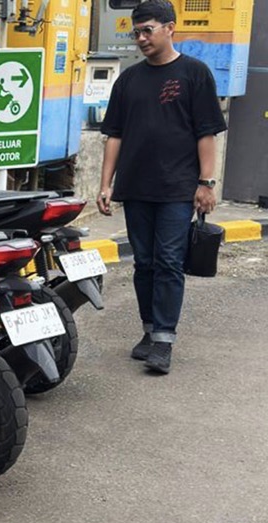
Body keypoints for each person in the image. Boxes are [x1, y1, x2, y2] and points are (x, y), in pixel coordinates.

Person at [96, 0, 226, 374]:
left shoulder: (194, 74)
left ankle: (164, 340)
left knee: (169, 261)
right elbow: (114, 135)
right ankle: (149, 330)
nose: (140, 38)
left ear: (170, 28)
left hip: (177, 188)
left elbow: (206, 133)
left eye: (147, 30)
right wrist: (105, 184)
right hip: (135, 186)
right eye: (135, 32)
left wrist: (206, 183)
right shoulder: (129, 79)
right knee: (145, 263)